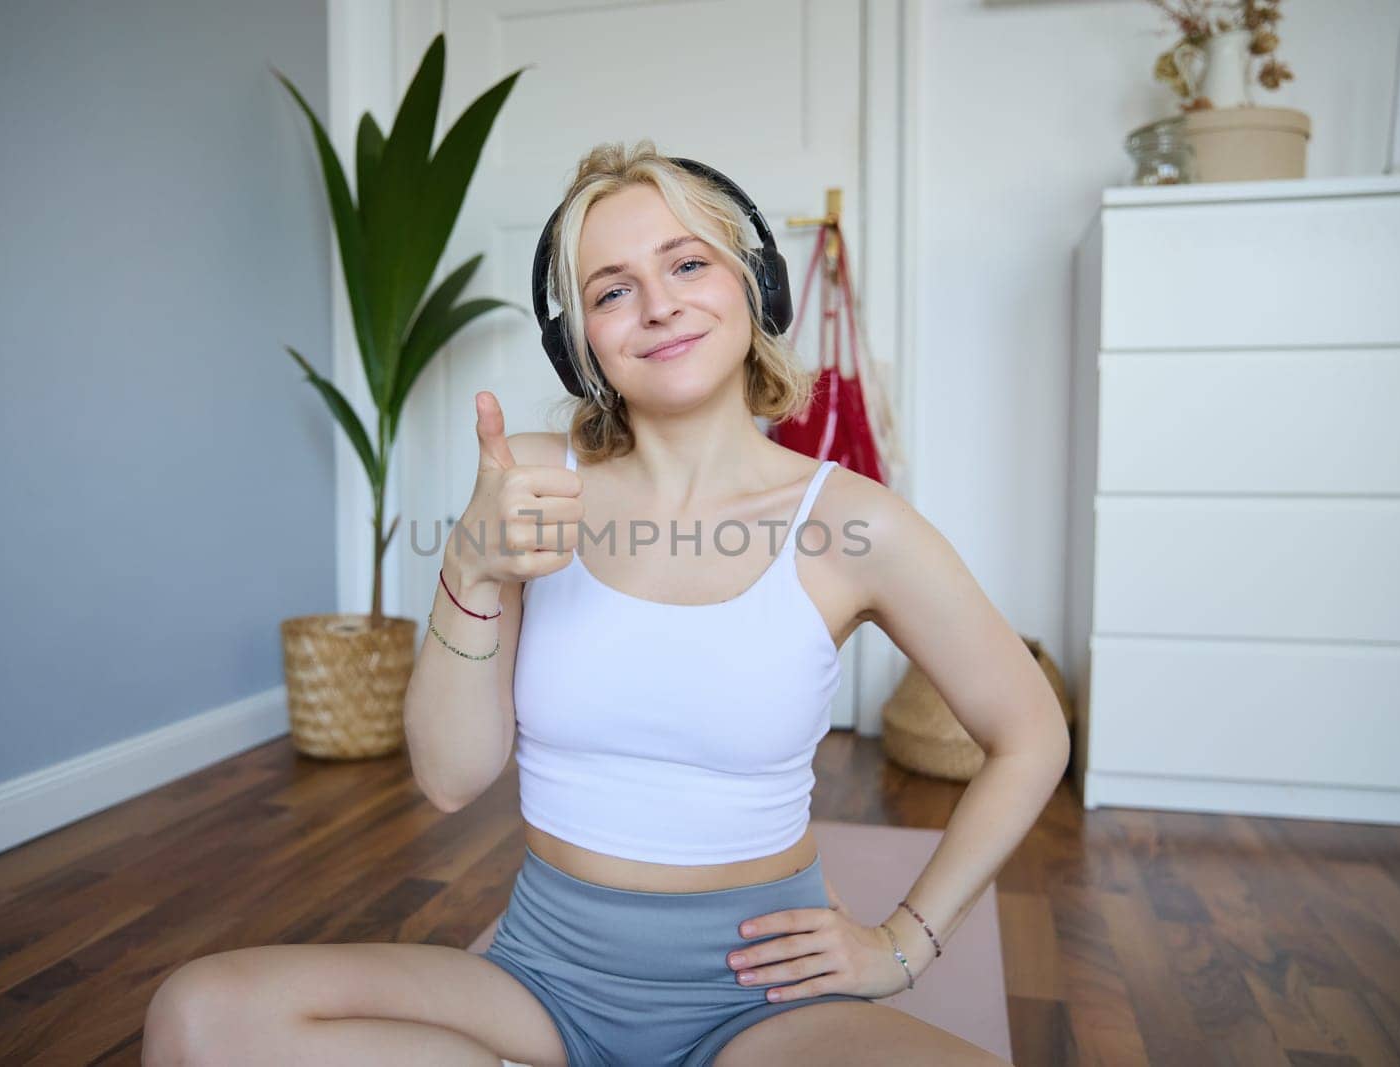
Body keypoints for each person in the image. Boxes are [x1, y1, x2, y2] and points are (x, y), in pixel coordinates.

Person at [141, 141, 1067, 1066]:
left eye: (688, 263)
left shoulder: (854, 522)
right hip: (540, 979)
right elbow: (450, 775)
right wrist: (474, 567)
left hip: (764, 1001)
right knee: (203, 1014)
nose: (659, 303)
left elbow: (1032, 734)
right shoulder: (532, 484)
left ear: (754, 286)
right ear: (579, 340)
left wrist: (902, 942)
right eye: (612, 289)